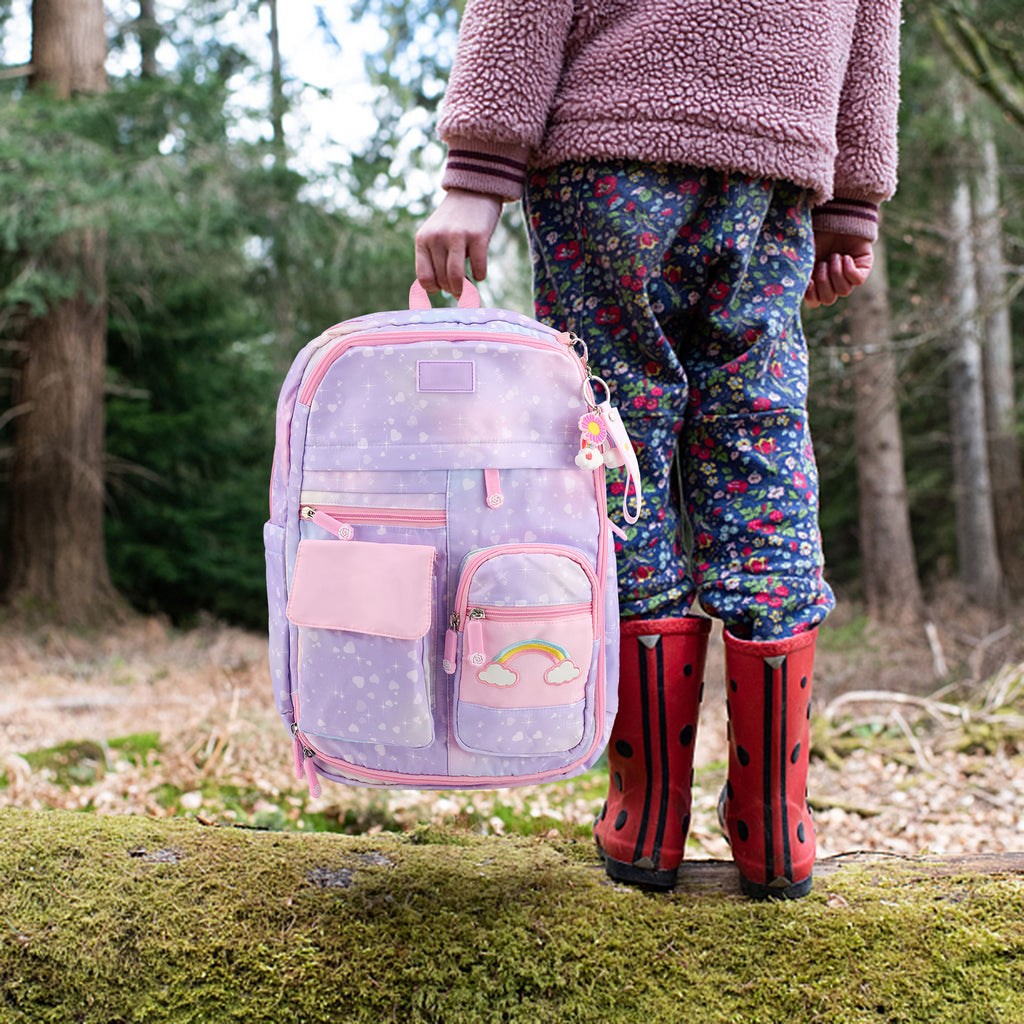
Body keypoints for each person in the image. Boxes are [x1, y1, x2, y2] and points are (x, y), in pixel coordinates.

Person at [415, 0, 900, 900]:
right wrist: (853, 197)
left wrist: (477, 169)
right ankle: (775, 822)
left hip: (613, 141)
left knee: (616, 446)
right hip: (779, 158)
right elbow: (875, 20)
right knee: (762, 443)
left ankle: (647, 810)